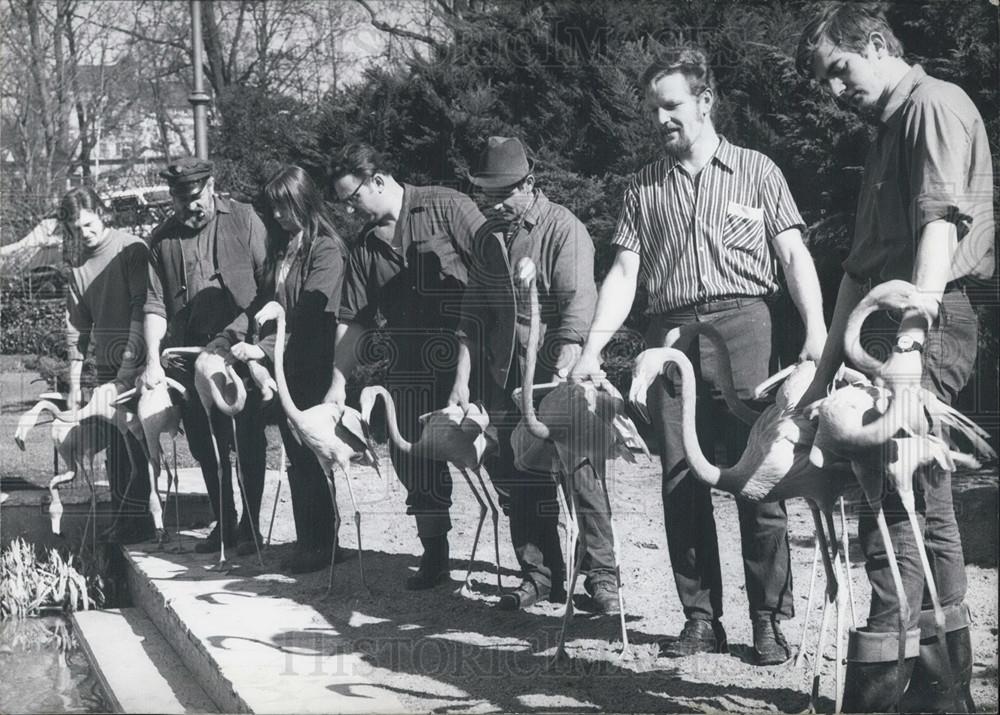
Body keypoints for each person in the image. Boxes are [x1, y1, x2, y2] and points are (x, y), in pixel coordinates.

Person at [569, 46, 828, 665]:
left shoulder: (758, 171)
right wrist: (593, 348)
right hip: (670, 334)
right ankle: (700, 618)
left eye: (672, 105)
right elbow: (625, 272)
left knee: (756, 472)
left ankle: (768, 619)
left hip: (746, 325)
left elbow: (792, 256)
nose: (661, 119)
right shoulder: (643, 188)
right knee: (681, 476)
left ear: (705, 101)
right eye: (654, 109)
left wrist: (818, 332)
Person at [796, 5, 993, 711]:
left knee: (890, 501)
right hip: (884, 327)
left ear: (876, 43)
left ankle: (878, 699)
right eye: (824, 81)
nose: (833, 92)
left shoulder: (934, 107)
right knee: (928, 507)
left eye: (839, 71)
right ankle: (946, 698)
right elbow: (856, 270)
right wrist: (816, 382)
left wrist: (910, 343)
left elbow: (940, 227)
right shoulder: (884, 135)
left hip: (926, 322)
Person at [449, 136, 619, 613]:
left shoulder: (565, 230)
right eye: (485, 194)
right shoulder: (487, 239)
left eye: (503, 194)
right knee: (516, 478)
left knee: (580, 474)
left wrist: (566, 370)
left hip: (555, 376)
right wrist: (462, 379)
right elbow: (473, 314)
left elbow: (576, 308)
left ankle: (602, 576)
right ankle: (538, 575)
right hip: (505, 380)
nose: (494, 204)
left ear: (530, 183)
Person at [325, 143, 486, 589]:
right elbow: (353, 320)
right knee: (410, 454)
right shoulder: (364, 248)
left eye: (352, 197)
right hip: (410, 363)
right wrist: (338, 380)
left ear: (378, 180)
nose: (350, 210)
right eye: (343, 203)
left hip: (470, 354)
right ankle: (435, 551)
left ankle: (540, 566)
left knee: (503, 457)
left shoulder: (447, 206)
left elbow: (495, 277)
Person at [140, 157, 268, 556]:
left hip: (239, 349)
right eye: (179, 203)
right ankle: (224, 521)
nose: (188, 210)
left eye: (194, 200)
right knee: (204, 444)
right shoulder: (161, 239)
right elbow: (155, 305)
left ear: (211, 186)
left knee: (247, 439)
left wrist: (251, 343)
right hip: (189, 355)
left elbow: (269, 288)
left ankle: (250, 525)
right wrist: (150, 361)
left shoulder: (245, 220)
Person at [229, 165, 348, 574]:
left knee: (309, 452)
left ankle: (322, 541)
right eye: (274, 208)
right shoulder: (283, 248)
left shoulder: (326, 249)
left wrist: (263, 351)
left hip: (311, 362)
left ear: (304, 200)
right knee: (294, 453)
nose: (279, 216)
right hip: (284, 362)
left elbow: (313, 314)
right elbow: (268, 305)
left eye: (286, 207)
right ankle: (310, 538)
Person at [60, 187, 150, 543]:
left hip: (143, 361)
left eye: (88, 223)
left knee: (141, 443)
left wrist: (131, 365)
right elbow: (76, 329)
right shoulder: (78, 268)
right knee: (116, 449)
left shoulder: (131, 249)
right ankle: (124, 519)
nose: (84, 234)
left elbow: (141, 308)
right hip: (109, 366)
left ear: (102, 213)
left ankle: (142, 521)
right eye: (75, 229)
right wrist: (72, 386)